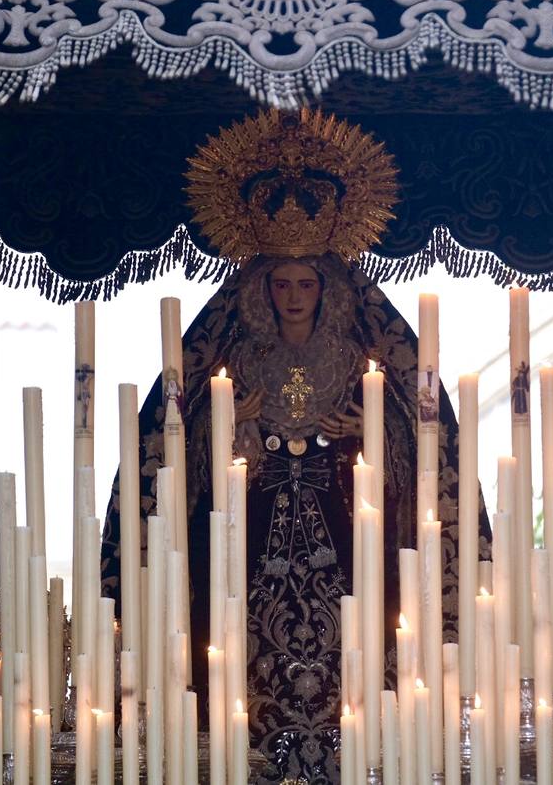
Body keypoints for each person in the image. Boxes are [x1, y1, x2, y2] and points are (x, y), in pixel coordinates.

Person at [100, 109, 490, 783]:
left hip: (348, 545)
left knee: (361, 650)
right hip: (246, 553)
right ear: (260, 289)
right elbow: (175, 462)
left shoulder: (366, 358)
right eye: (281, 285)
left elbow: (421, 456)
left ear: (329, 288)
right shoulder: (229, 358)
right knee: (235, 656)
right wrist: (235, 428)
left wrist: (363, 434)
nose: (293, 298)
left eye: (306, 284)